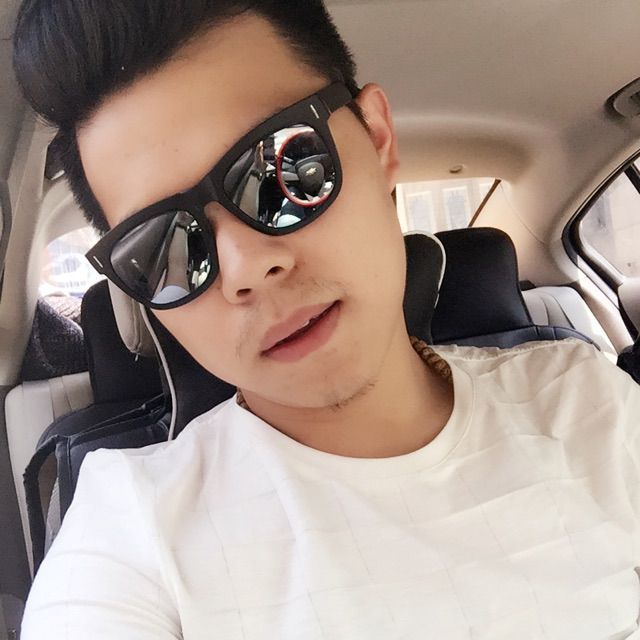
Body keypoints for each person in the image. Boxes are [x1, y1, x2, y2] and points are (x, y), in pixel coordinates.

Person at [12, 1, 640, 638]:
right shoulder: (130, 534)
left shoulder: (587, 402)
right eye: (161, 249)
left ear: (378, 138)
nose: (247, 268)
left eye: (281, 172)